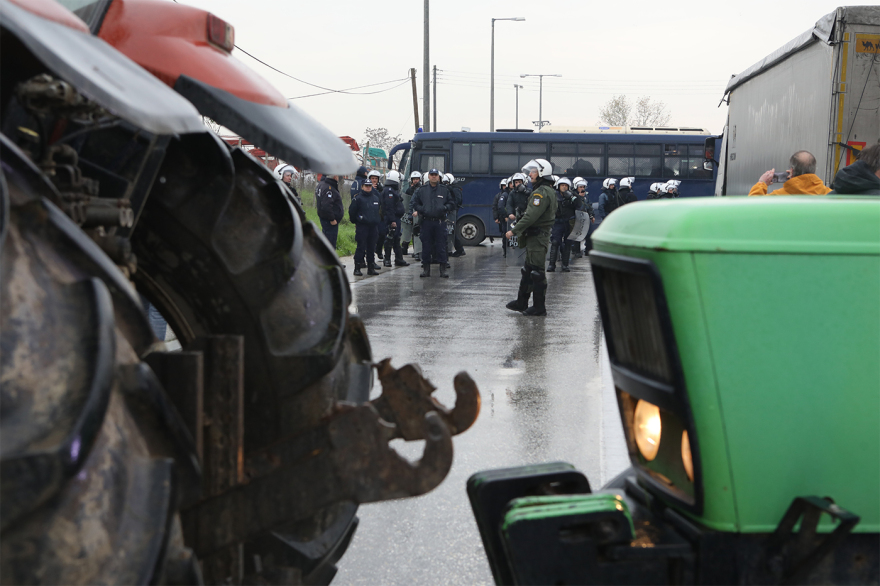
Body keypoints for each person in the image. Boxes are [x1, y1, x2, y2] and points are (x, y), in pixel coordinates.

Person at [505, 158, 557, 316]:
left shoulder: (541, 193)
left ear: (542, 173)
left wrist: (514, 231)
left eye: (534, 171)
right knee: (528, 270)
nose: (531, 174)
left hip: (537, 236)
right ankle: (522, 302)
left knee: (537, 272)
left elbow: (531, 216)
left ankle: (539, 307)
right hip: (535, 236)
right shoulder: (544, 190)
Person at [412, 169, 454, 278]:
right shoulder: (422, 190)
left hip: (440, 222)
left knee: (441, 246)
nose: (434, 177)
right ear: (429, 176)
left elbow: (451, 203)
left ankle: (443, 270)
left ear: (439, 177)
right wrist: (422, 209)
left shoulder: (444, 190)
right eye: (432, 175)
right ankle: (426, 269)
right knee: (426, 246)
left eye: (436, 175)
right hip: (426, 222)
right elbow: (415, 203)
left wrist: (444, 208)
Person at [749, 151, 832, 195]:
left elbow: (752, 207)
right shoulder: (829, 194)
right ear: (814, 170)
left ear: (791, 171)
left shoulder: (778, 197)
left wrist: (762, 183)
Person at [349, 180, 382, 276]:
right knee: (361, 247)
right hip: (362, 226)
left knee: (371, 247)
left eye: (369, 186)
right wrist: (357, 221)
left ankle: (371, 267)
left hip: (373, 227)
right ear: (362, 187)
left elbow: (380, 211)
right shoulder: (358, 199)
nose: (368, 187)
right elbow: (352, 212)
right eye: (366, 186)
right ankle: (357, 267)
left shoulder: (375, 198)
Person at [548, 177, 578, 273]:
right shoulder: (554, 196)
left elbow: (580, 206)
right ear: (558, 186)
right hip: (557, 222)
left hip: (569, 223)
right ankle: (551, 265)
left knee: (567, 244)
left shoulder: (573, 196)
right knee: (555, 242)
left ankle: (565, 265)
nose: (564, 187)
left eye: (566, 185)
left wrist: (573, 198)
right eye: (562, 185)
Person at [381, 170, 410, 267]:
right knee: (390, 238)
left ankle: (399, 259)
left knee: (396, 239)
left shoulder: (392, 190)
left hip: (395, 218)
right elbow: (389, 208)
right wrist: (392, 220)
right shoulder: (389, 191)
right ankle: (387, 259)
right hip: (392, 219)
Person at [316, 174, 344, 264]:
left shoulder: (322, 184)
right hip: (329, 221)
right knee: (330, 242)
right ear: (335, 176)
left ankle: (328, 261)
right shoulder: (328, 188)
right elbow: (326, 206)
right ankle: (330, 263)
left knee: (327, 240)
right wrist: (332, 219)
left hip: (325, 218)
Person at [570, 178, 594, 258]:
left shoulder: (586, 196)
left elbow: (589, 206)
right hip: (578, 217)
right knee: (577, 235)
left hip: (586, 217)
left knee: (590, 234)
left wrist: (592, 215)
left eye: (583, 187)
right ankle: (576, 251)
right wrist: (579, 198)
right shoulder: (573, 196)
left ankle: (588, 250)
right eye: (580, 187)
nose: (582, 189)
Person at [401, 171, 421, 256]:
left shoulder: (421, 189)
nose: (415, 181)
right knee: (407, 231)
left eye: (417, 179)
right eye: (414, 179)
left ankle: (417, 250)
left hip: (418, 212)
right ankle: (404, 248)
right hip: (410, 212)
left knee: (417, 232)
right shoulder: (409, 190)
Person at [367, 170, 386, 260]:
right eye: (372, 178)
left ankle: (379, 249)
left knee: (382, 233)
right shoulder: (366, 188)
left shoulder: (381, 188)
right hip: (371, 216)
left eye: (375, 179)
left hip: (380, 215)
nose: (374, 180)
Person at [446, 173, 466, 257]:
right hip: (450, 212)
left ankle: (459, 249)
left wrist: (450, 206)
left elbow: (458, 200)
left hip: (452, 212)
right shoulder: (452, 188)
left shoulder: (454, 189)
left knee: (451, 230)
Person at [492, 178, 510, 257]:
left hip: (509, 218)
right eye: (503, 186)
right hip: (502, 218)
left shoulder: (510, 194)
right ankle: (505, 252)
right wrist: (496, 217)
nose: (505, 187)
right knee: (504, 234)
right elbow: (495, 207)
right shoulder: (498, 196)